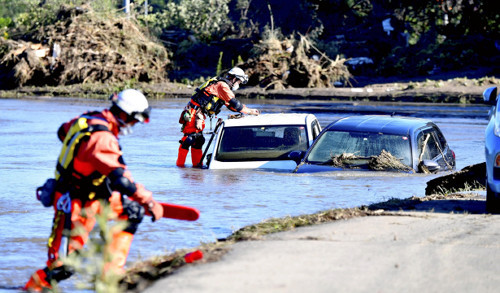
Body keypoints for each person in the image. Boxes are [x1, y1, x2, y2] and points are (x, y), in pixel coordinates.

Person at [24, 89, 163, 291]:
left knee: (131, 212)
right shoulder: (103, 138)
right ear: (124, 115)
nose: (133, 126)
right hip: (74, 205)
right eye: (134, 121)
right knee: (63, 267)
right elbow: (121, 181)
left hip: (94, 197)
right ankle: (31, 289)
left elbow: (62, 132)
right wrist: (148, 201)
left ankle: (111, 276)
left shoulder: (87, 120)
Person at [176, 67, 260, 167]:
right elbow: (235, 104)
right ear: (234, 79)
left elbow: (230, 105)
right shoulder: (222, 86)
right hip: (194, 112)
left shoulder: (222, 86)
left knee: (198, 141)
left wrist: (247, 110)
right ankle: (180, 166)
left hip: (199, 114)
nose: (239, 84)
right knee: (190, 139)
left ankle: (197, 167)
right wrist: (250, 111)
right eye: (239, 82)